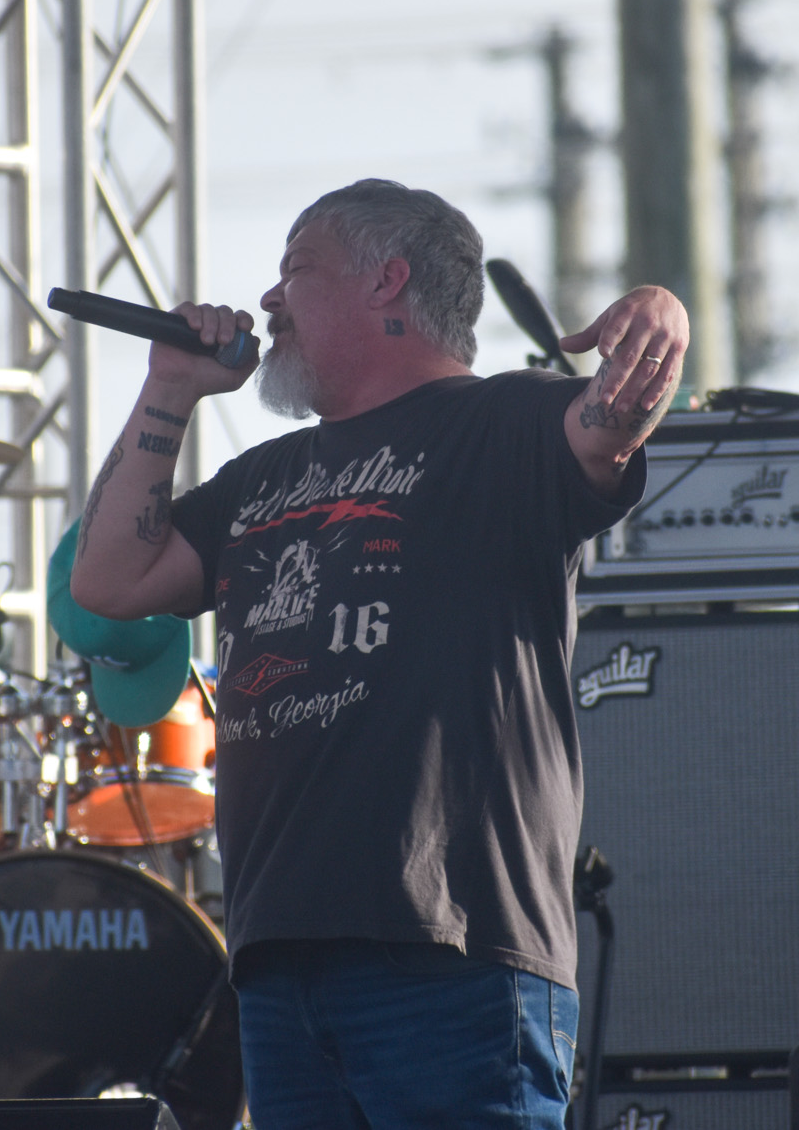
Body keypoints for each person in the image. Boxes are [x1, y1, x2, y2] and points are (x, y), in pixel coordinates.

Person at [69, 179, 688, 1128]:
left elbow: (610, 420)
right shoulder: (259, 480)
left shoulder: (507, 422)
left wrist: (662, 320)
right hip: (281, 959)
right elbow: (108, 583)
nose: (269, 300)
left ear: (385, 280)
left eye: (295, 270)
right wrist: (169, 390)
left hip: (452, 951)